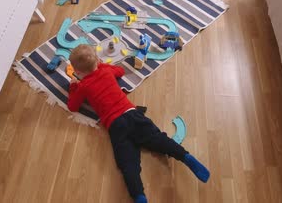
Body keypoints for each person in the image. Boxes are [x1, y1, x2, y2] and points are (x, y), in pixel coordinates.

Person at [67, 44, 210, 203]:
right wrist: (102, 65)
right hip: (132, 114)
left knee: (128, 163)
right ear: (97, 61)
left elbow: (72, 106)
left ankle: (139, 196)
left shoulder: (83, 86)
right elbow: (120, 72)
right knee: (159, 139)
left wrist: (74, 85)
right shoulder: (106, 70)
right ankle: (186, 157)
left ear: (78, 72)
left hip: (115, 125)